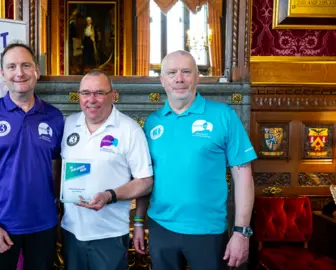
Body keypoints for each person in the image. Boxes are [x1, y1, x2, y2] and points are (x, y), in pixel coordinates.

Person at [134, 50, 257, 270]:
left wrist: (241, 232)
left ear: (197, 77)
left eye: (186, 71)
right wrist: (139, 222)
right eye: (172, 73)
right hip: (161, 229)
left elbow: (244, 177)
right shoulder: (152, 123)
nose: (179, 78)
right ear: (162, 80)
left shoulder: (224, 115)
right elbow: (145, 179)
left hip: (208, 232)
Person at [0, 42, 64, 270]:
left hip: (44, 226)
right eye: (12, 66)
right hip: (0, 226)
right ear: (3, 73)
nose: (20, 73)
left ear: (36, 70)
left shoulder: (55, 117)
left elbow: (57, 168)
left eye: (26, 65)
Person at [60, 69, 154, 270]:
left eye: (99, 93)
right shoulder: (68, 124)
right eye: (85, 93)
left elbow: (145, 182)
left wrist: (109, 195)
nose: (91, 99)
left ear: (113, 95)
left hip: (109, 235)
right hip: (71, 232)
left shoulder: (130, 130)